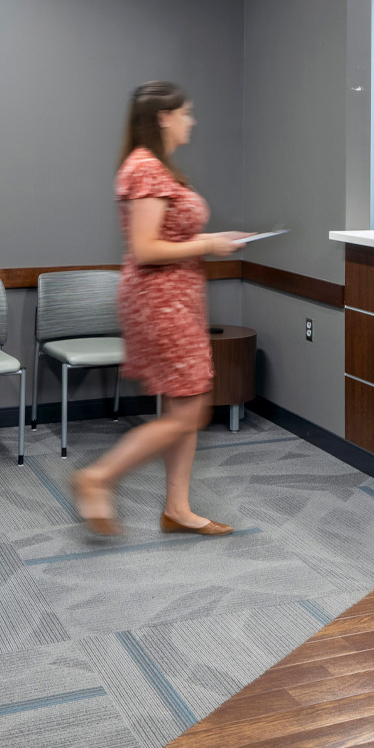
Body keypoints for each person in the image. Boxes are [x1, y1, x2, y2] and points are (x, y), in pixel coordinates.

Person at [70, 81, 247, 537]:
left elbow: (168, 240)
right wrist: (208, 242)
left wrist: (208, 243)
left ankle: (178, 510)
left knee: (181, 405)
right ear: (164, 116)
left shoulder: (159, 168)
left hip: (178, 300)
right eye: (186, 112)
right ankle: (97, 478)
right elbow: (146, 248)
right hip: (160, 302)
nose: (193, 120)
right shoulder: (145, 168)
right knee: (191, 411)